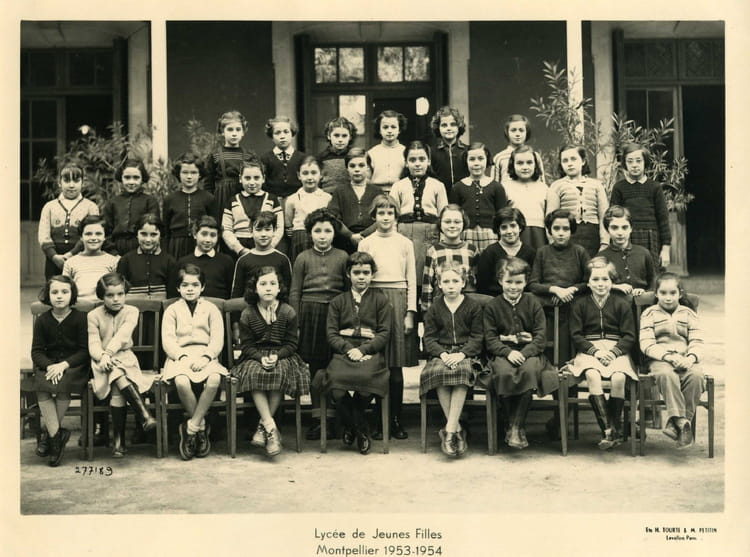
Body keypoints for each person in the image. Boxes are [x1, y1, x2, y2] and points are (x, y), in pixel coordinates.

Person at [314, 252, 393, 454]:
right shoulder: (338, 301)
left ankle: (351, 426)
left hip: (370, 353)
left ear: (372, 274)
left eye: (366, 272)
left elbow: (384, 333)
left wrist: (364, 350)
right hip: (344, 353)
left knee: (367, 384)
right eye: (356, 272)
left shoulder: (381, 300)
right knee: (336, 386)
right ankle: (360, 428)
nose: (361, 277)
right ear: (348, 274)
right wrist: (349, 350)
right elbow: (331, 334)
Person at [231, 267, 310, 457]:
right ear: (255, 288)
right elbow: (247, 346)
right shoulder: (248, 313)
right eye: (263, 284)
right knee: (255, 373)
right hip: (254, 355)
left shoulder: (288, 311)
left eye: (273, 284)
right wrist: (260, 357)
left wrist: (277, 356)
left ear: (279, 288)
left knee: (279, 371)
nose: (268, 288)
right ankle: (270, 427)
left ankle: (262, 427)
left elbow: (292, 344)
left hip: (283, 355)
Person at [359, 195, 417, 440]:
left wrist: (410, 313)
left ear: (396, 216)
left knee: (395, 366)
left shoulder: (405, 243)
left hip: (398, 299)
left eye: (390, 213)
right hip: (373, 299)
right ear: (374, 216)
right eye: (381, 213)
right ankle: (377, 418)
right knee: (375, 363)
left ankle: (395, 418)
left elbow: (411, 278)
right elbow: (359, 278)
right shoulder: (366, 243)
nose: (385, 218)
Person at [528, 209, 590, 439]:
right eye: (556, 229)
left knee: (568, 363)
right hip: (548, 314)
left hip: (573, 315)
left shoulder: (580, 252)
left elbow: (588, 281)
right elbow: (533, 284)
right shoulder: (543, 252)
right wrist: (554, 290)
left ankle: (563, 416)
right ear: (549, 231)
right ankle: (554, 412)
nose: (561, 233)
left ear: (572, 231)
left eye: (565, 229)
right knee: (550, 363)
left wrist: (571, 290)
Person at [288, 208, 349, 440]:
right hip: (310, 312)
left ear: (334, 233)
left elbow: (347, 290)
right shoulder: (302, 258)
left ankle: (336, 418)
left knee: (335, 365)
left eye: (327, 231)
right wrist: (296, 322)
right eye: (317, 231)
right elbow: (295, 291)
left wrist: (346, 316)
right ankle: (318, 419)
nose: (322, 236)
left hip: (336, 313)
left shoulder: (343, 256)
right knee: (315, 368)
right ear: (309, 233)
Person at [484, 257, 554, 449]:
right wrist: (507, 352)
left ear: (525, 282)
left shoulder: (532, 302)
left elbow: (541, 336)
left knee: (528, 371)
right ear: (500, 280)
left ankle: (515, 427)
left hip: (530, 354)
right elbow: (490, 338)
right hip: (503, 354)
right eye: (509, 282)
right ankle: (514, 427)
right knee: (504, 372)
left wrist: (526, 352)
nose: (513, 287)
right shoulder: (493, 306)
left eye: (518, 282)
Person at [567, 257, 637, 449]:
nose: (600, 284)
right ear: (588, 283)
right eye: (595, 279)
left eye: (605, 279)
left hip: (616, 349)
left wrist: (614, 353)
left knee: (619, 377)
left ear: (612, 282)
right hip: (589, 350)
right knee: (592, 374)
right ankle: (609, 430)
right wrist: (595, 352)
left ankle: (612, 430)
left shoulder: (621, 304)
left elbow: (629, 335)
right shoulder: (580, 304)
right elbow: (576, 335)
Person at [161, 264, 228, 460]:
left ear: (203, 287)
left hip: (205, 354)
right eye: (185, 285)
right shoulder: (172, 310)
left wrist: (207, 357)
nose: (190, 289)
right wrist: (181, 356)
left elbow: (217, 339)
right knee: (181, 381)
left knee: (214, 379)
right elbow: (168, 340)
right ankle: (201, 428)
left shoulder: (211, 309)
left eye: (195, 285)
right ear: (178, 288)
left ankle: (190, 428)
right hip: (179, 355)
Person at [87, 272, 157, 458]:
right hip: (101, 362)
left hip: (125, 358)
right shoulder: (93, 316)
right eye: (110, 295)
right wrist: (103, 356)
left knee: (117, 374)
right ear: (102, 296)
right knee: (116, 373)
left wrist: (109, 354)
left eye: (120, 294)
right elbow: (93, 344)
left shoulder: (131, 311)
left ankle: (119, 441)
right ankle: (144, 415)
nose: (116, 299)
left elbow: (123, 336)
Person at [420, 264, 483, 457]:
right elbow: (429, 338)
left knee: (462, 372)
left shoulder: (473, 306)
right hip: (442, 353)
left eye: (455, 281)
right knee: (439, 372)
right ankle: (456, 429)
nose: (451, 285)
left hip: (466, 353)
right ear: (439, 284)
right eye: (446, 281)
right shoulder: (434, 308)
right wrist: (443, 355)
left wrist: (462, 354)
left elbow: (477, 337)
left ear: (463, 283)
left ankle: (448, 431)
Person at [29, 275, 89, 466]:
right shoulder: (42, 321)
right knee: (42, 387)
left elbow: (84, 351)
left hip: (73, 366)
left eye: (65, 291)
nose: (60, 296)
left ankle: (49, 437)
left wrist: (63, 365)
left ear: (72, 294)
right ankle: (57, 437)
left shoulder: (81, 318)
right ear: (48, 295)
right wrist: (49, 366)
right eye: (54, 292)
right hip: (49, 366)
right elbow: (36, 351)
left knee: (63, 386)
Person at [639, 272, 704, 447]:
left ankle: (677, 421)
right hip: (660, 360)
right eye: (663, 293)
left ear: (680, 294)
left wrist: (691, 358)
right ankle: (682, 423)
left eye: (673, 293)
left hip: (685, 359)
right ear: (656, 294)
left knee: (697, 376)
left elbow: (697, 341)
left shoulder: (688, 314)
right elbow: (646, 343)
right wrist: (667, 356)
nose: (668, 297)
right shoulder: (649, 314)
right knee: (667, 375)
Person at [389, 140, 448, 293]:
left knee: (427, 271)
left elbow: (444, 215)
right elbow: (392, 215)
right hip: (404, 233)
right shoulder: (398, 186)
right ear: (406, 163)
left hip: (430, 234)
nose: (417, 164)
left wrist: (443, 239)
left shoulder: (437, 185)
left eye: (422, 159)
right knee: (405, 270)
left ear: (428, 161)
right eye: (412, 160)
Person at [610, 143, 672, 269]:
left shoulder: (655, 187)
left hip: (651, 238)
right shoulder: (619, 188)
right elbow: (613, 218)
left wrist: (665, 249)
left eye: (638, 161)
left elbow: (663, 219)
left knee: (651, 274)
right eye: (630, 161)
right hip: (626, 238)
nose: (634, 165)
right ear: (625, 163)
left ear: (645, 162)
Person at [38, 161, 99, 279]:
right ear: (59, 182)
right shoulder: (49, 207)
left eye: (76, 181)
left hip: (81, 257)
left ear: (83, 183)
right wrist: (54, 257)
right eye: (67, 180)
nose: (71, 185)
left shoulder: (91, 207)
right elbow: (43, 235)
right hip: (54, 260)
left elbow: (92, 234)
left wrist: (71, 254)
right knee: (55, 286)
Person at [546, 144, 609, 257]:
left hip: (593, 235)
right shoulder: (557, 186)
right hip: (568, 234)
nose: (569, 164)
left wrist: (605, 242)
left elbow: (604, 215)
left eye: (573, 159)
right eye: (565, 160)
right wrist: (553, 242)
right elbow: (550, 218)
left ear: (583, 161)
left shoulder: (596, 185)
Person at [449, 142, 508, 253]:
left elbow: (502, 216)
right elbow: (454, 214)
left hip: (491, 234)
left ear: (487, 160)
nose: (476, 163)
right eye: (472, 159)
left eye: (480, 159)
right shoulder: (458, 187)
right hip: (466, 234)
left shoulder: (496, 187)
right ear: (466, 161)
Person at [421, 204, 478, 312]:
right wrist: (426, 312)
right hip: (440, 309)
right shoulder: (433, 251)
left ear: (464, 223)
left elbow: (476, 283)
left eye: (457, 222)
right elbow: (427, 286)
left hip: (466, 309)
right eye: (447, 222)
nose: (452, 225)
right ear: (440, 224)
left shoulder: (471, 250)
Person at [222, 158, 284, 258]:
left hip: (265, 245)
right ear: (240, 178)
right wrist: (240, 249)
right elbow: (226, 229)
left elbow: (279, 227)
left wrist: (270, 246)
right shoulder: (233, 201)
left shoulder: (272, 199)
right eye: (247, 178)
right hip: (239, 247)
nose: (252, 182)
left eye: (256, 178)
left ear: (263, 178)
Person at [205, 110, 255, 224]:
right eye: (230, 129)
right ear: (222, 131)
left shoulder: (249, 156)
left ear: (243, 132)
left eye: (238, 129)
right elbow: (208, 184)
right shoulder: (215, 155)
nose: (234, 133)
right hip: (221, 199)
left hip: (244, 197)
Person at [163, 153, 215, 260]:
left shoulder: (208, 198)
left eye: (194, 172)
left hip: (200, 244)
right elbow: (165, 230)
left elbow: (214, 226)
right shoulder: (170, 199)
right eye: (185, 172)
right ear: (179, 174)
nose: (189, 176)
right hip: (176, 245)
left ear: (200, 174)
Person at [327, 147, 380, 252]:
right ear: (347, 168)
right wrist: (350, 235)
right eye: (352, 166)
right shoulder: (340, 191)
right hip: (345, 242)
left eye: (361, 165)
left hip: (372, 240)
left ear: (368, 167)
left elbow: (382, 217)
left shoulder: (376, 191)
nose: (357, 169)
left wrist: (364, 234)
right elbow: (332, 217)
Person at [103, 158, 159, 256]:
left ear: (142, 179)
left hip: (141, 248)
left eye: (136, 178)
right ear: (121, 178)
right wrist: (113, 252)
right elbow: (106, 231)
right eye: (127, 177)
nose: (131, 182)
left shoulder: (150, 201)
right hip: (116, 247)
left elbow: (154, 229)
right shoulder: (112, 202)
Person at [230, 211, 293, 299]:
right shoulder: (243, 260)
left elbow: (288, 290)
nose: (263, 234)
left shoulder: (283, 259)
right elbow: (237, 293)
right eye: (258, 230)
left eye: (267, 229)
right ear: (251, 230)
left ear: (274, 230)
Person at [476, 207, 536, 297]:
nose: (509, 231)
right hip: (495, 300)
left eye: (513, 226)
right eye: (504, 227)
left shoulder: (530, 252)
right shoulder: (489, 252)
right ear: (498, 230)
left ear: (520, 227)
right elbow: (482, 286)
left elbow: (532, 283)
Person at [116, 213, 178, 300]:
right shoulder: (126, 260)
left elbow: (173, 296)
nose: (148, 239)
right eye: (143, 234)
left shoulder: (169, 261)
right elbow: (120, 292)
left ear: (160, 235)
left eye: (153, 234)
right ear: (137, 234)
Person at [599, 205, 657, 296]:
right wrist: (614, 287)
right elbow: (596, 284)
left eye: (624, 227)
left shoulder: (643, 253)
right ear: (607, 229)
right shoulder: (602, 257)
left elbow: (653, 282)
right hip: (614, 301)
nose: (620, 233)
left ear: (631, 228)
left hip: (641, 302)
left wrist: (644, 292)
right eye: (614, 227)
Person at [284, 156, 332, 263]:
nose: (309, 177)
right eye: (305, 173)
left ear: (321, 175)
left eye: (314, 173)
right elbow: (289, 224)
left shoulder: (327, 198)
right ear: (299, 175)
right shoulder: (292, 199)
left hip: (321, 237)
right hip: (300, 239)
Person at [62, 215, 119, 302]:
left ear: (105, 237)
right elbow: (65, 289)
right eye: (88, 234)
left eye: (98, 234)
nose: (93, 238)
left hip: (105, 305)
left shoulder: (113, 261)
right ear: (81, 237)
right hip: (80, 305)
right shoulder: (71, 262)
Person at [501, 145, 548, 250]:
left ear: (536, 165)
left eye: (529, 162)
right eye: (520, 163)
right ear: (512, 165)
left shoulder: (544, 188)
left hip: (539, 235)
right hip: (515, 235)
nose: (525, 167)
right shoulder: (505, 187)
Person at [177, 216, 235, 299]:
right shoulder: (183, 262)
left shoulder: (226, 261)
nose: (208, 240)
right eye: (204, 234)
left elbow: (231, 292)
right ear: (195, 234)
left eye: (213, 235)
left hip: (219, 305)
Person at [492, 114, 546, 183]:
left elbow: (541, 183)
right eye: (513, 130)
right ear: (507, 132)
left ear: (527, 132)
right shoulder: (499, 158)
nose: (517, 134)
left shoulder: (535, 156)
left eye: (521, 130)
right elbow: (494, 185)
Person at [429, 106, 469, 198]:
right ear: (437, 127)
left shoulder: (467, 151)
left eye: (453, 124)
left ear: (459, 126)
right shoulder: (431, 152)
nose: (449, 128)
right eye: (444, 125)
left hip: (464, 197)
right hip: (440, 197)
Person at [367, 109, 407, 194]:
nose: (389, 130)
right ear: (379, 130)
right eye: (385, 127)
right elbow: (367, 179)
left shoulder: (405, 152)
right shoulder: (372, 153)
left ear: (399, 130)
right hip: (376, 193)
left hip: (400, 193)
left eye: (393, 127)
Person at [317, 116, 357, 195]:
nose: (340, 140)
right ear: (329, 136)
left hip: (350, 195)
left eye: (344, 136)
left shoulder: (354, 157)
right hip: (327, 196)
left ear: (350, 137)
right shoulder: (321, 158)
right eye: (336, 135)